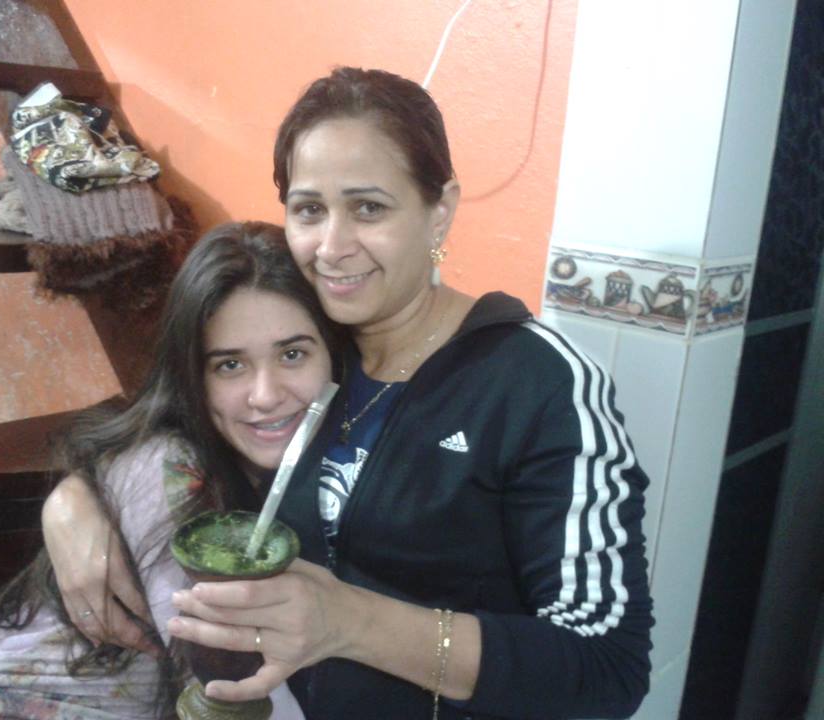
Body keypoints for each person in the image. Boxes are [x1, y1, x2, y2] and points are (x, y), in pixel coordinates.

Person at [45, 68, 654, 720]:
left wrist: (349, 621)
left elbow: (606, 668)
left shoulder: (538, 383)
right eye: (310, 210)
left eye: (369, 208)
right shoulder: (310, 347)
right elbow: (170, 412)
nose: (332, 249)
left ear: (439, 211)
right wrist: (74, 497)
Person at [0, 221, 339, 720]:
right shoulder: (171, 470)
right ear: (192, 375)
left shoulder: (326, 466)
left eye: (292, 354)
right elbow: (231, 683)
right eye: (229, 365)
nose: (266, 395)